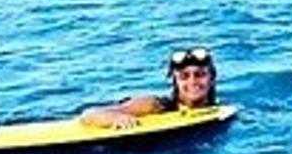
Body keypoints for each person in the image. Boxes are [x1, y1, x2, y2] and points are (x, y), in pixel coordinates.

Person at [81, 47, 220, 129]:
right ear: (175, 81)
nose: (192, 81)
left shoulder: (219, 112)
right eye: (184, 76)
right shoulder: (155, 105)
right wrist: (115, 119)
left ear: (212, 78)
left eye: (200, 75)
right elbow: (89, 114)